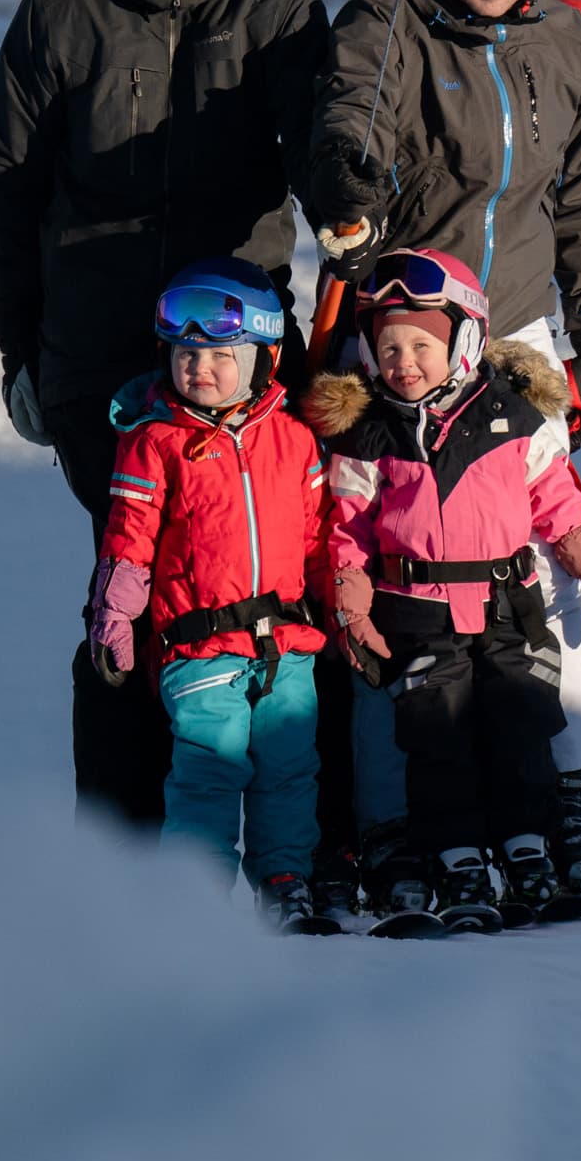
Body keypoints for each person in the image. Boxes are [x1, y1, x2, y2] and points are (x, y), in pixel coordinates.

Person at [0, 0, 329, 832]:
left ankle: (298, 831)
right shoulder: (62, 14)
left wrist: (341, 185)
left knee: (271, 572)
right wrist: (22, 352)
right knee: (138, 570)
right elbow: (11, 186)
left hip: (239, 341)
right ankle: (127, 842)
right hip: (101, 345)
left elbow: (317, 138)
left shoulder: (279, 3)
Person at [302, 0, 581, 904]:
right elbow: (346, 115)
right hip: (406, 334)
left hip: (520, 339)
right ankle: (392, 818)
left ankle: (558, 788)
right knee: (398, 573)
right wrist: (348, 168)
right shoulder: (385, 23)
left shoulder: (568, 44)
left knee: (540, 568)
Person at [304, 249, 581, 922]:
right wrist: (353, 608)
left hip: (510, 609)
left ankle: (524, 851)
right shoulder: (369, 438)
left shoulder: (512, 416)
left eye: (422, 343)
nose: (403, 361)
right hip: (419, 615)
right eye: (388, 345)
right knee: (437, 742)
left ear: (466, 340)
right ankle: (455, 860)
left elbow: (558, 501)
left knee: (521, 729)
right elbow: (349, 531)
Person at [83, 260, 334, 929]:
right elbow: (128, 542)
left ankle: (286, 882)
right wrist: (114, 619)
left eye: (221, 355)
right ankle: (192, 901)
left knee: (288, 769)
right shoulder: (153, 442)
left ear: (262, 357)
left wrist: (346, 609)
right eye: (186, 355)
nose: (199, 369)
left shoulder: (296, 438)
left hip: (288, 644)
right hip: (198, 650)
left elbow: (318, 541)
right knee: (208, 771)